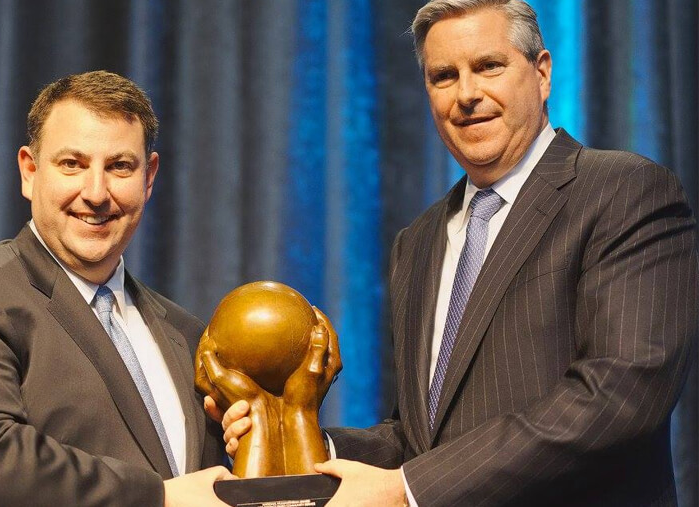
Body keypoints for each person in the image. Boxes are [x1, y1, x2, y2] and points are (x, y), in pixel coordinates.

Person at [214, 1, 698, 505]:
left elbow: (619, 393)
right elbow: (421, 438)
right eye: (444, 76)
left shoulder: (622, 191)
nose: (467, 94)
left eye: (489, 66)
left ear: (542, 72)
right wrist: (301, 435)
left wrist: (408, 490)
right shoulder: (418, 241)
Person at [0, 71, 233, 506]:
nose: (95, 193)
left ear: (149, 178)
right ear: (30, 171)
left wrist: (245, 441)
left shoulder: (186, 334)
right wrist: (154, 498)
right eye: (72, 164)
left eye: (119, 166)